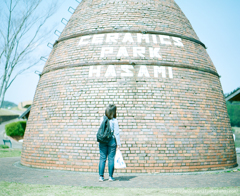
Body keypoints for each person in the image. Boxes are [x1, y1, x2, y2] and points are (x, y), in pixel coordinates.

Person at [99, 104, 121, 182]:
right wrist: (118, 144)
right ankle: (110, 177)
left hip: (103, 140)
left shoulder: (102, 119)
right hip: (111, 140)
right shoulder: (114, 120)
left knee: (102, 158)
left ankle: (101, 177)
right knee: (111, 158)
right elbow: (117, 133)